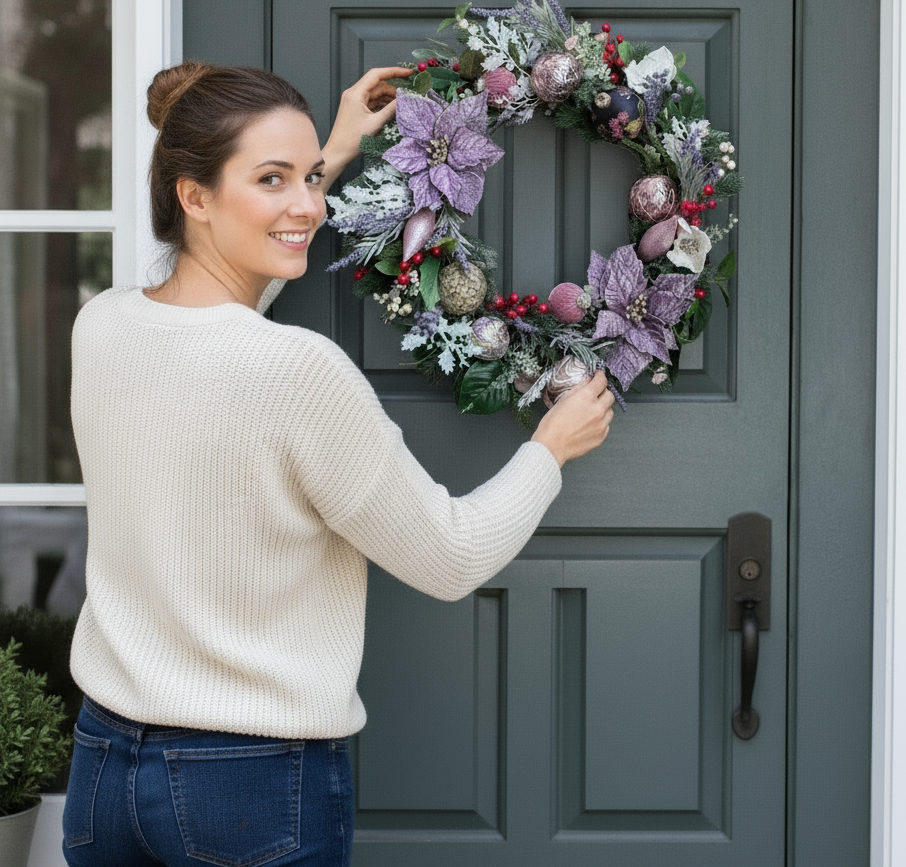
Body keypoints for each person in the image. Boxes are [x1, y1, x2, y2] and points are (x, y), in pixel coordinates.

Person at [62, 62, 614, 867]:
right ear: (193, 196)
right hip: (246, 784)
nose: (308, 206)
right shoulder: (299, 372)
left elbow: (216, 330)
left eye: (308, 179)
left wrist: (334, 151)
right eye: (273, 180)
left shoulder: (103, 326)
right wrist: (549, 450)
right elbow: (451, 556)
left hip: (104, 768)